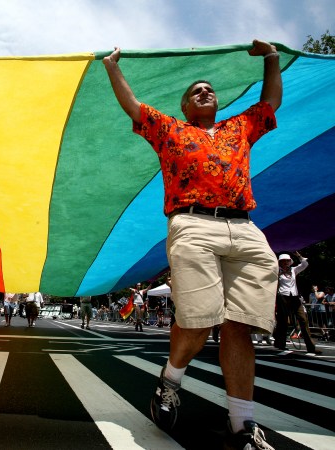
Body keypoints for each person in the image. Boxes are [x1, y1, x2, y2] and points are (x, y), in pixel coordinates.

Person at [104, 39, 281, 448]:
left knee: (241, 326)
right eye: (194, 91)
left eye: (209, 88)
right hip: (193, 225)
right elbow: (133, 107)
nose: (204, 91)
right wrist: (113, 67)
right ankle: (171, 380)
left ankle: (242, 427)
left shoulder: (239, 128)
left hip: (247, 231)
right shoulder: (170, 130)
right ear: (184, 107)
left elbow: (270, 100)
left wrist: (271, 58)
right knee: (200, 320)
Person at [273, 252, 321, 354]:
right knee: (283, 321)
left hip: (294, 297)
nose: (286, 262)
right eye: (283, 261)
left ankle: (311, 347)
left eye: (287, 260)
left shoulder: (294, 270)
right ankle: (280, 342)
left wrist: (298, 255)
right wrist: (278, 274)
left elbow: (305, 264)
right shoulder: (276, 271)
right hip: (282, 296)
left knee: (303, 319)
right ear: (280, 262)